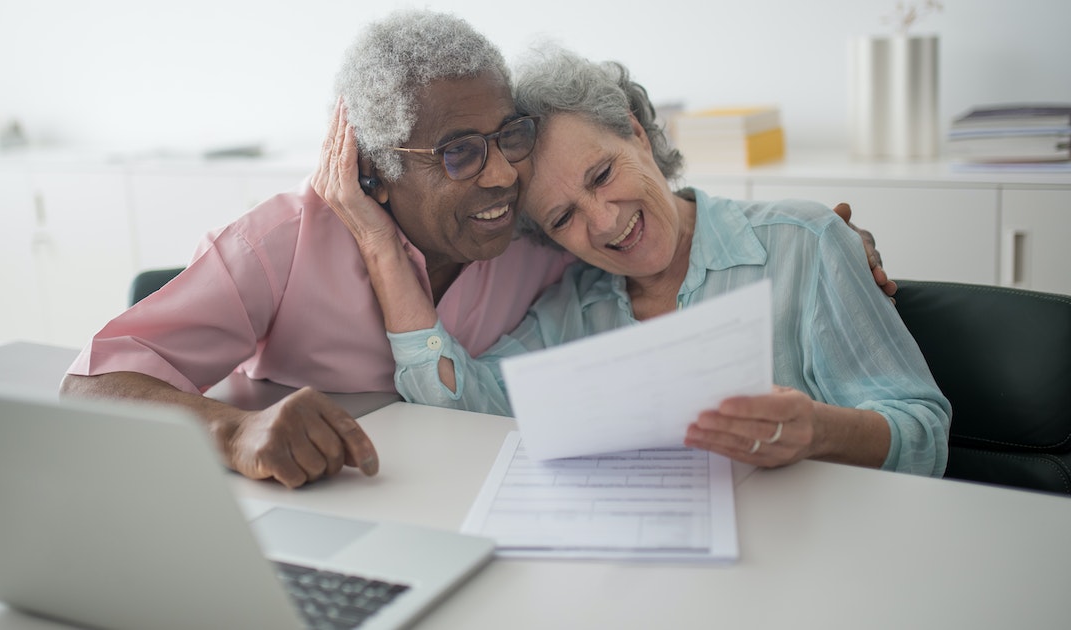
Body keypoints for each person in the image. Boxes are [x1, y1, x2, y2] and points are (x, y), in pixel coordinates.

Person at [62, 10, 893, 488]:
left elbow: (656, 227)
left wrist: (830, 239)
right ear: (378, 172)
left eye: (510, 137)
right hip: (299, 516)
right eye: (460, 152)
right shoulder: (283, 243)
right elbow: (89, 388)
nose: (502, 175)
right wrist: (230, 432)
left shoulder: (543, 238)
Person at [316, 47, 951, 476]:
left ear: (636, 133)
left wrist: (817, 431)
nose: (604, 221)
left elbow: (924, 434)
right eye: (562, 218)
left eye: (601, 174)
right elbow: (456, 409)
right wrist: (380, 246)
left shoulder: (804, 242)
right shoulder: (572, 308)